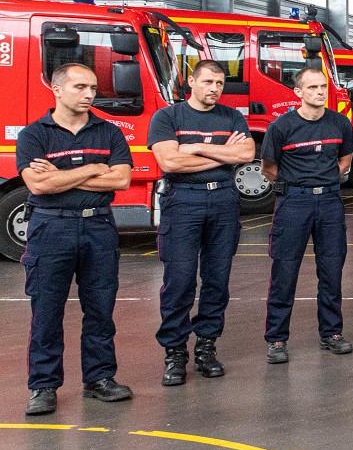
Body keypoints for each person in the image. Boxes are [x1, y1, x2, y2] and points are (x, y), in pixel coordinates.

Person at [18, 63, 134, 415]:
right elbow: (39, 185)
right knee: (47, 311)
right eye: (80, 87)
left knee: (100, 309)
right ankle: (43, 386)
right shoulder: (34, 134)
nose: (89, 95)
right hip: (50, 228)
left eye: (93, 88)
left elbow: (121, 181)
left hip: (98, 228)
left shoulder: (108, 132)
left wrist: (64, 175)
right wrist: (94, 169)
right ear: (56, 90)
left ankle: (99, 377)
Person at [148, 59, 254, 386]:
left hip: (223, 199)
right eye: (208, 82)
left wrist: (193, 147)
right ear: (191, 82)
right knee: (179, 280)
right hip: (183, 200)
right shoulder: (168, 117)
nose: (214, 89)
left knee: (217, 279)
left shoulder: (232, 117)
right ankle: (175, 350)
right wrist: (221, 151)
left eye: (219, 84)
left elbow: (246, 155)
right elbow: (169, 161)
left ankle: (206, 346)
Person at [261, 67, 353, 362]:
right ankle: (277, 339)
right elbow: (268, 167)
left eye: (323, 87)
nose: (319, 92)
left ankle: (332, 333)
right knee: (285, 272)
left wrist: (324, 179)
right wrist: (299, 184)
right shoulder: (281, 126)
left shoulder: (340, 123)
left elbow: (345, 159)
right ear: (298, 92)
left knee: (331, 271)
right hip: (293, 204)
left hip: (329, 202)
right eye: (312, 87)